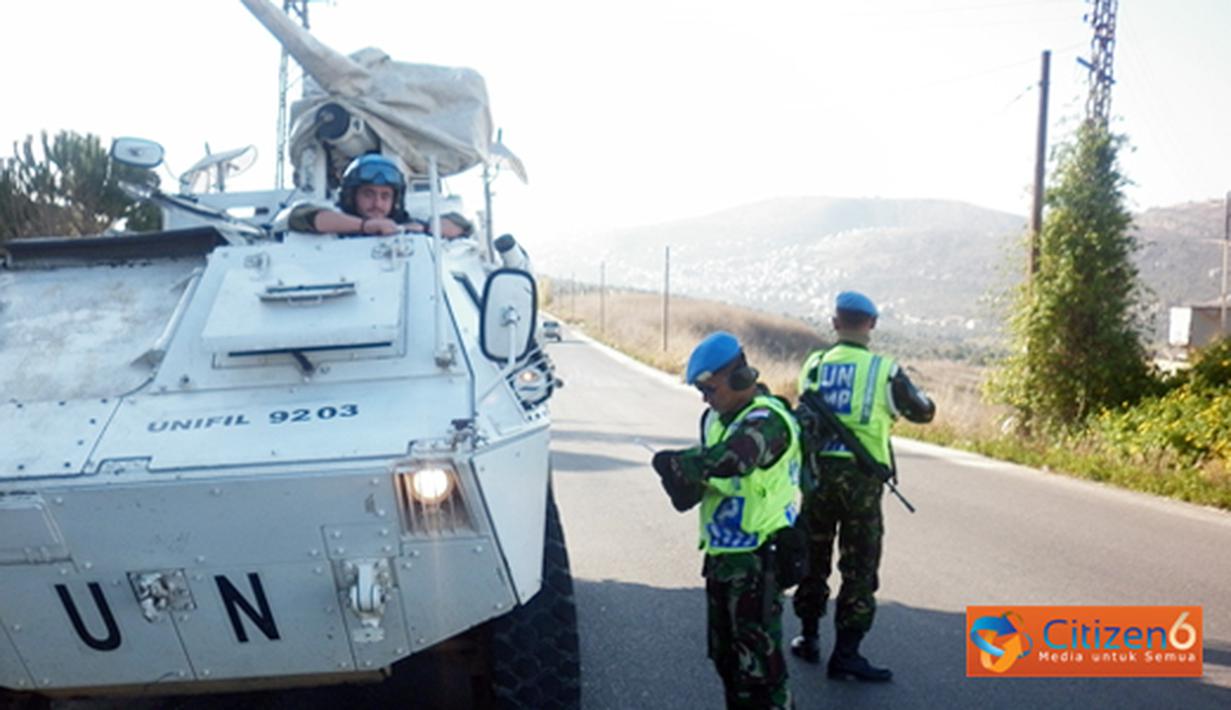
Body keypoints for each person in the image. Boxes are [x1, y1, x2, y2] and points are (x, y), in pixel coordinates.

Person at [788, 291, 935, 682]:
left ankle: (808, 637)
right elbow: (923, 412)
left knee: (813, 559)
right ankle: (847, 655)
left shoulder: (814, 365)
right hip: (861, 482)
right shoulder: (884, 370)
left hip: (817, 478)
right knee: (858, 567)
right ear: (870, 324)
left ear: (835, 322)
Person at [651, 331, 802, 710]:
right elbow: (709, 476)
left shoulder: (770, 420)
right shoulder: (714, 420)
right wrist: (682, 482)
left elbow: (738, 457)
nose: (705, 397)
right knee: (727, 661)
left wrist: (680, 464)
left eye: (709, 388)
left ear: (739, 378)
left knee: (762, 670)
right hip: (721, 559)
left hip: (758, 560)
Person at [285, 153, 474, 238]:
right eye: (369, 194)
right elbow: (299, 217)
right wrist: (365, 227)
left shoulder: (403, 223)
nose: (377, 203)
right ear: (352, 196)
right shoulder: (338, 219)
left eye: (385, 196)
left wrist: (424, 228)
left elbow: (462, 226)